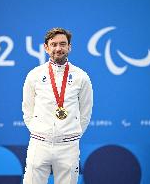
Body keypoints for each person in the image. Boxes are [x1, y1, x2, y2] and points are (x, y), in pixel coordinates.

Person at [22, 27, 93, 184]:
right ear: (46, 48)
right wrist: (40, 133)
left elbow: (85, 114)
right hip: (39, 144)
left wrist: (70, 135)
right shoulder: (34, 75)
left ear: (69, 47)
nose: (58, 48)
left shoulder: (81, 77)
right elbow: (27, 111)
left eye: (63, 44)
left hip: (68, 147)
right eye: (54, 44)